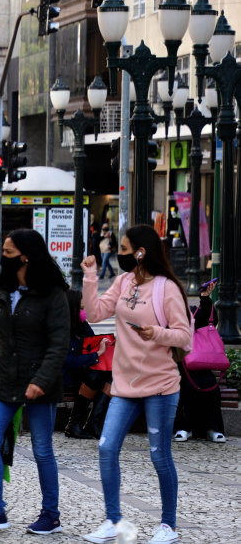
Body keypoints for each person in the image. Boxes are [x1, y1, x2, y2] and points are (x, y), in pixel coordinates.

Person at [81, 224, 192, 544]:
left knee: (159, 455)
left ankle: (168, 526)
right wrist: (90, 276)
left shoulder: (166, 288)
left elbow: (183, 336)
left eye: (125, 248)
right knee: (106, 446)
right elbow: (94, 311)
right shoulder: (123, 281)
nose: (120, 253)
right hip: (124, 385)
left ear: (141, 252)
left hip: (160, 385)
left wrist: (154, 333)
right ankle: (112, 521)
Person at [0, 228, 69, 535]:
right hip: (4, 382)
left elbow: (59, 343)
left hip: (39, 384)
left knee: (42, 450)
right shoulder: (2, 287)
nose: (3, 257)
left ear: (25, 256)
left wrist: (42, 380)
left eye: (8, 252)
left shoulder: (52, 292)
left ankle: (51, 515)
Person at [173, 282, 226, 443]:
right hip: (176, 365)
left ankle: (213, 428)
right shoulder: (163, 314)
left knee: (210, 386)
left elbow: (210, 322)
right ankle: (183, 427)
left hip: (198, 363)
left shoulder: (191, 312)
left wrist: (205, 298)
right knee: (181, 387)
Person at [62, 289, 113, 440]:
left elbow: (92, 342)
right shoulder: (62, 329)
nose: (85, 313)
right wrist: (96, 355)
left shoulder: (81, 325)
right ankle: (74, 423)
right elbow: (69, 362)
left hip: (81, 373)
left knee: (114, 375)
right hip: (66, 376)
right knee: (94, 376)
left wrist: (106, 345)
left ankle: (93, 422)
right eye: (82, 308)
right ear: (72, 308)